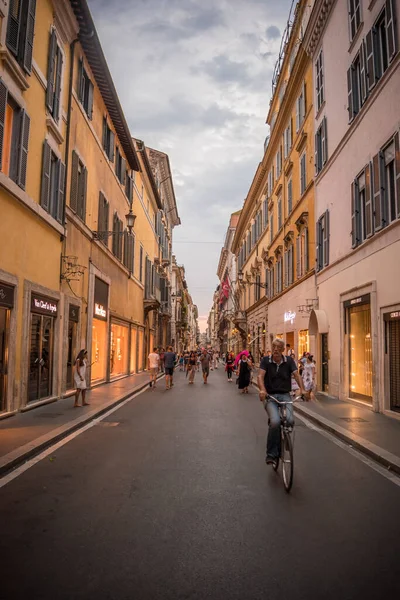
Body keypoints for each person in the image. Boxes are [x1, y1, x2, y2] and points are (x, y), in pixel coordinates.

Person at [258, 338, 305, 467]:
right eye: (274, 346)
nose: (276, 349)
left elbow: (296, 375)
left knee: (289, 420)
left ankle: (286, 442)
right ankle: (271, 454)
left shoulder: (289, 361)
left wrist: (302, 390)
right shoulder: (265, 361)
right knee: (275, 422)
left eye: (279, 347)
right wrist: (262, 390)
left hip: (285, 395)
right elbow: (260, 376)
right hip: (270, 397)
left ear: (283, 350)